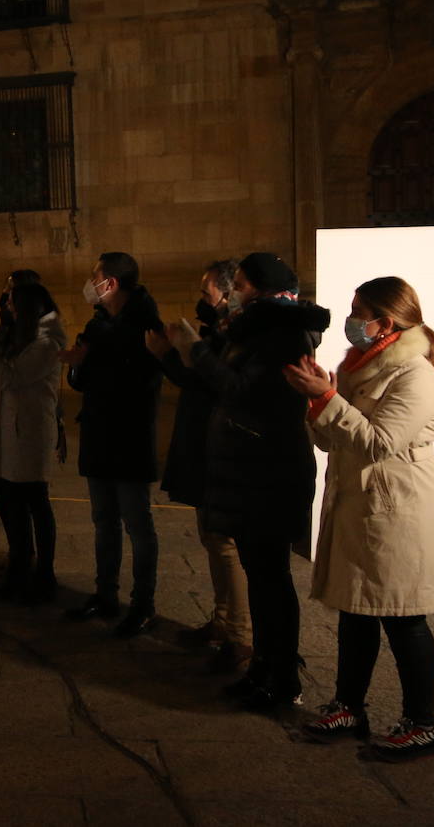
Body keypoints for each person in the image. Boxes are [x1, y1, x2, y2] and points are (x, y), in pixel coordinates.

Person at [285, 277, 434, 761]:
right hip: (361, 506)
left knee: (405, 619)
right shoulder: (359, 366)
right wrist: (320, 400)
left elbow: (380, 442)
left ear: (387, 320)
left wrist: (327, 399)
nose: (353, 319)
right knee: (356, 611)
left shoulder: (414, 374)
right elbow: (333, 440)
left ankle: (423, 724)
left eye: (360, 310)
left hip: (398, 511)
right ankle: (349, 706)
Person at [168, 252, 329, 710]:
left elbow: (244, 390)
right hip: (250, 468)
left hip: (268, 471)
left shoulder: (280, 333)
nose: (233, 289)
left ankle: (282, 678)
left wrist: (195, 352)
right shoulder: (259, 327)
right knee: (261, 577)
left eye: (238, 282)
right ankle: (264, 667)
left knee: (271, 579)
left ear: (258, 287)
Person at [147, 258, 253, 673]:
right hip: (203, 440)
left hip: (220, 444)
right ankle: (223, 622)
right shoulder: (221, 329)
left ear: (228, 293)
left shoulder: (237, 335)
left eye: (207, 290)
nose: (201, 297)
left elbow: (209, 379)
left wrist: (175, 353)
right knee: (211, 537)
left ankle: (241, 636)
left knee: (225, 542)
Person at [61, 252, 164, 638]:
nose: (91, 283)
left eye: (95, 277)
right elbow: (80, 381)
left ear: (113, 283)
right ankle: (105, 595)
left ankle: (143, 605)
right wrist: (78, 364)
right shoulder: (97, 322)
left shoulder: (145, 325)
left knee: (137, 524)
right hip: (99, 434)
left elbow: (145, 381)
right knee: (103, 521)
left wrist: (98, 363)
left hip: (130, 435)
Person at [0, 282, 65, 602]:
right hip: (4, 434)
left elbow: (11, 378)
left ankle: (44, 574)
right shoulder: (12, 334)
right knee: (9, 503)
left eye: (11, 301)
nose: (6, 306)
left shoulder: (47, 340)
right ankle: (19, 565)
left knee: (35, 502)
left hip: (28, 435)